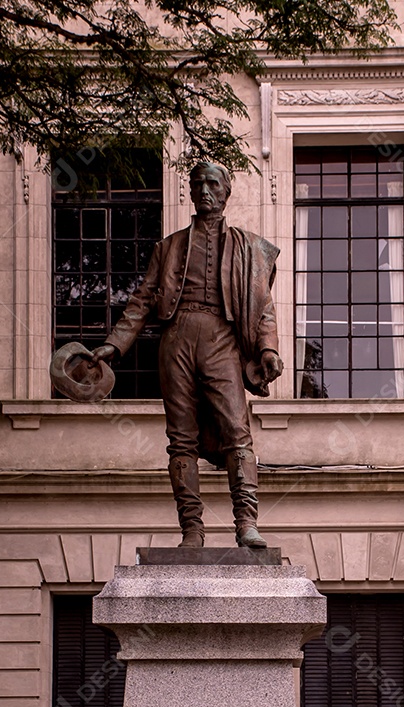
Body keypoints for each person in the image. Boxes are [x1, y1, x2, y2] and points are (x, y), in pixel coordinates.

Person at [92, 162, 283, 548]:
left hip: (222, 339)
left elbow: (263, 306)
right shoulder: (169, 247)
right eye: (197, 184)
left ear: (226, 191)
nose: (204, 191)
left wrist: (268, 348)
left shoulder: (249, 248)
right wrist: (114, 345)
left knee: (237, 432)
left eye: (213, 183)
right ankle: (192, 530)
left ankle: (247, 523)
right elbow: (142, 299)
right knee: (180, 440)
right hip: (176, 339)